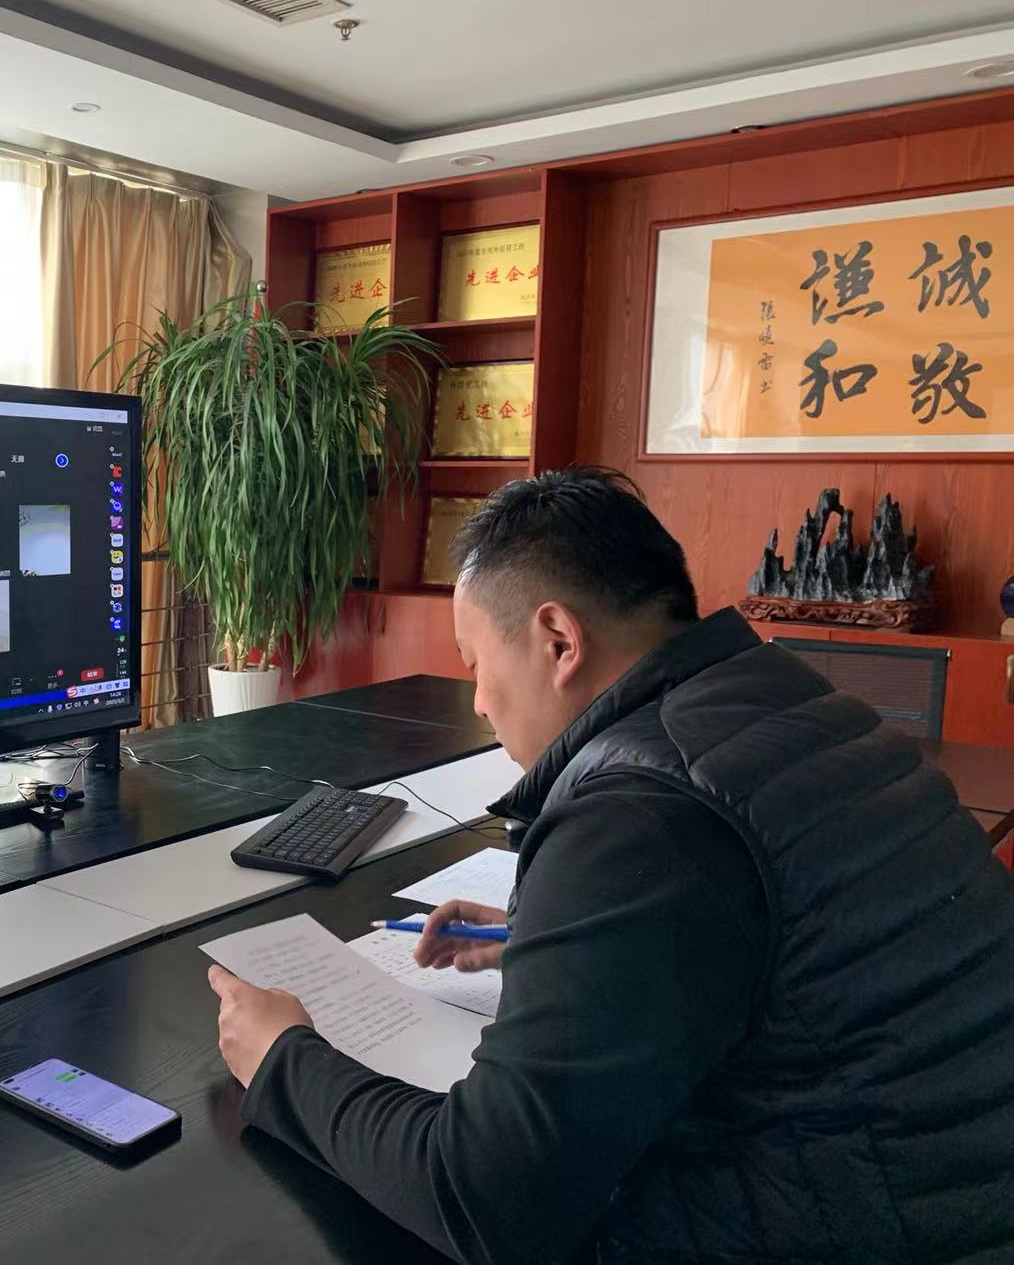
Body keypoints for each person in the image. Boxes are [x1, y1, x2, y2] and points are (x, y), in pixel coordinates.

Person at [207, 467, 1014, 1264]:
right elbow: (777, 932)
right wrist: (556, 940)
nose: (479, 700)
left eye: (476, 663)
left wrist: (283, 1060)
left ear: (558, 641)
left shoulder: (638, 813)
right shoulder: (787, 698)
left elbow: (486, 1199)